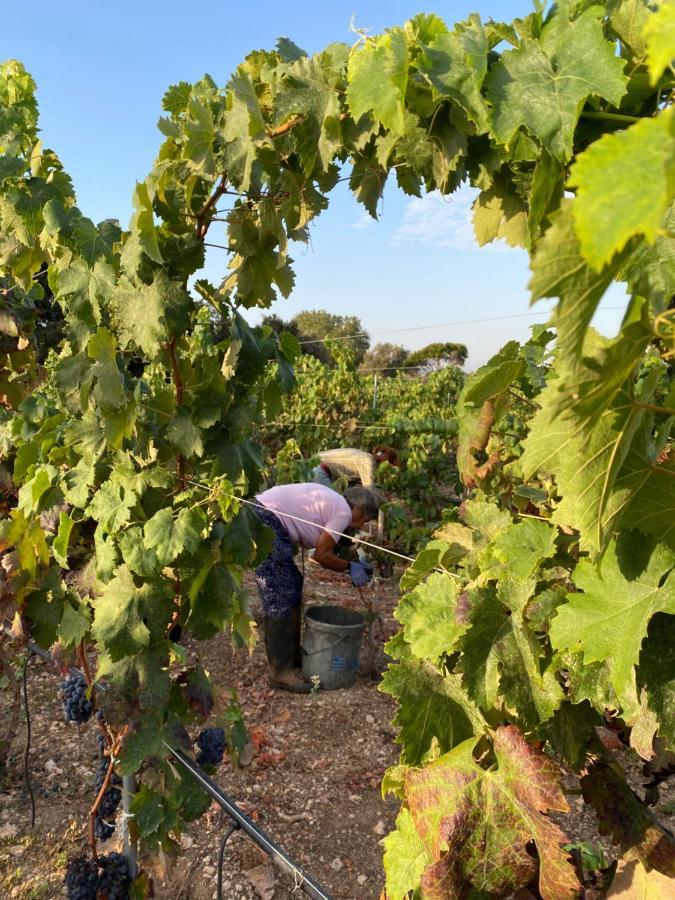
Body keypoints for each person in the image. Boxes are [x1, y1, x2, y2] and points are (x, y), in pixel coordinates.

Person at [253, 483, 380, 693]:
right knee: (280, 593)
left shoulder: (334, 503)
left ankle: (291, 658)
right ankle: (279, 672)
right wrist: (350, 567)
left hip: (263, 515)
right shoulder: (342, 512)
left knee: (292, 582)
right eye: (363, 520)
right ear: (357, 508)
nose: (359, 526)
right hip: (266, 519)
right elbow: (321, 556)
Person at [312, 445, 398, 488]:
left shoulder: (365, 457)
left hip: (316, 467)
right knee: (333, 503)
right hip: (319, 470)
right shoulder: (368, 462)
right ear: (385, 459)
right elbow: (369, 488)